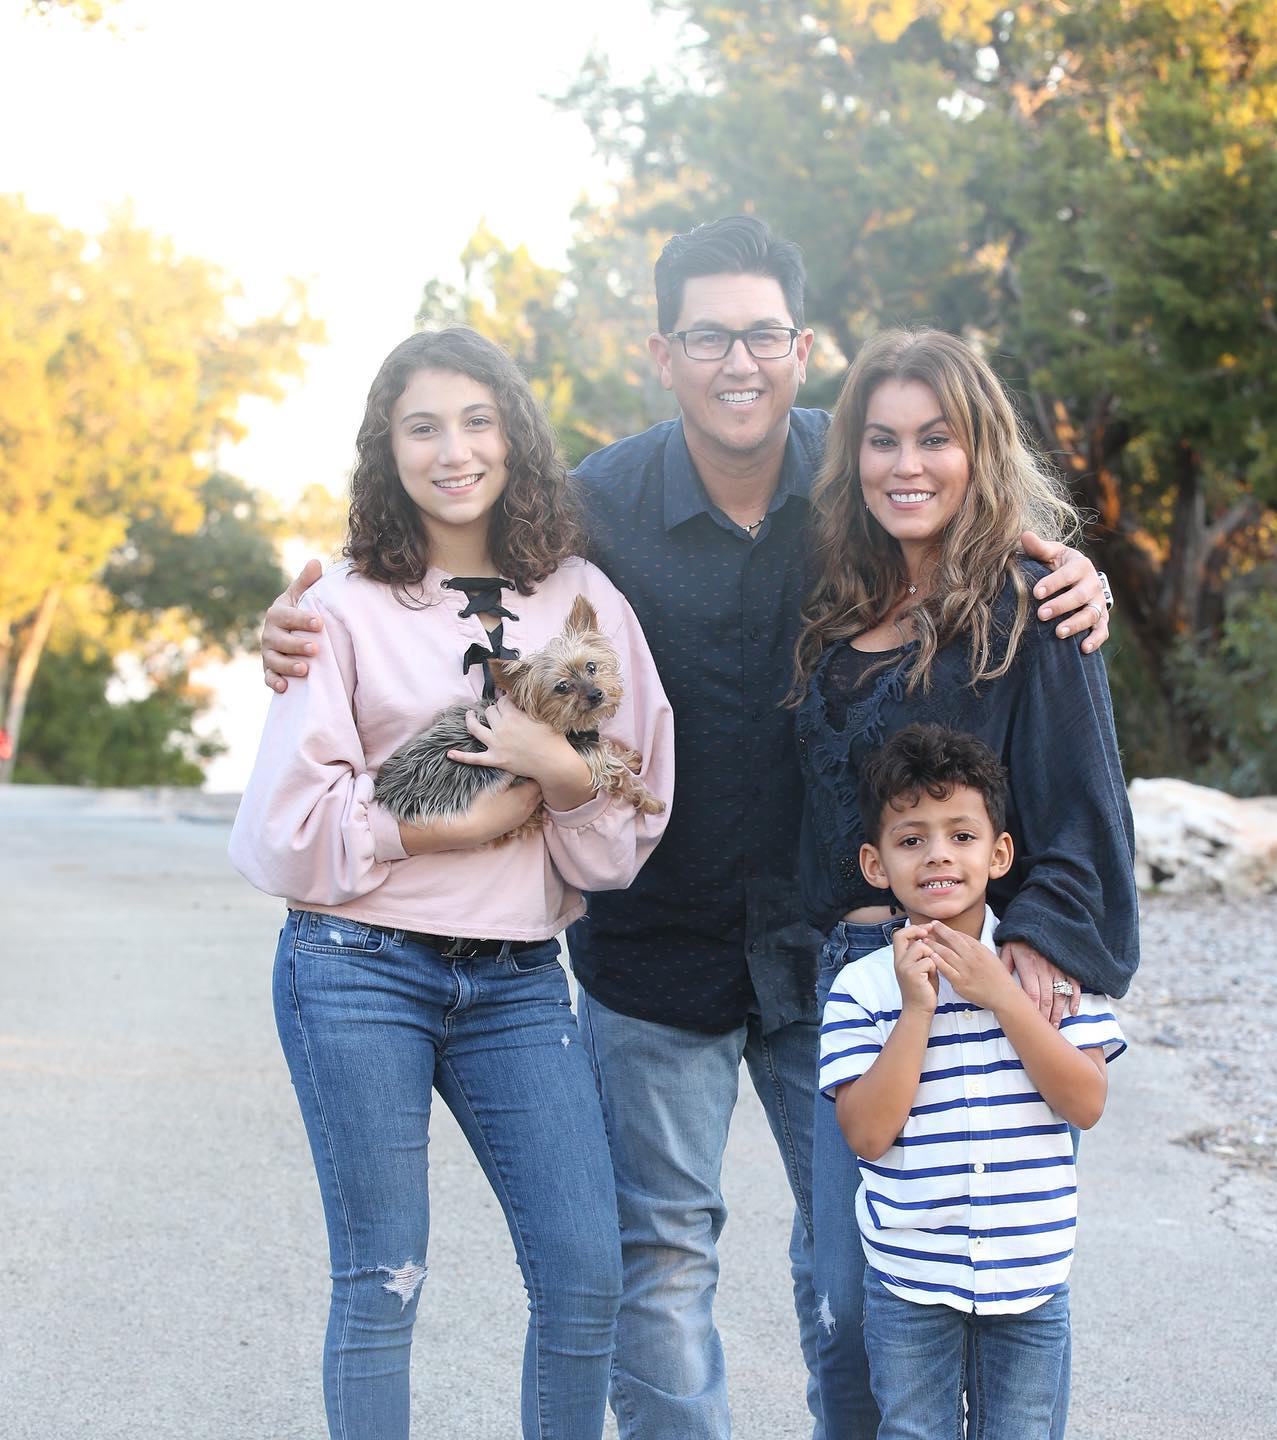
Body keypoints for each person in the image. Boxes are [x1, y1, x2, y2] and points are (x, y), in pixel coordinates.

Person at [258, 218, 1112, 1440]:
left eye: (764, 334)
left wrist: (1077, 576)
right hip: (654, 943)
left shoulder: (862, 474)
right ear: (664, 352)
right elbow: (434, 570)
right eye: (707, 336)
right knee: (656, 1266)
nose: (738, 362)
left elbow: (974, 538)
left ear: (803, 346)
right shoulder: (595, 508)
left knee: (857, 1271)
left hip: (840, 941)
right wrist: (288, 630)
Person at [229, 327, 673, 1440]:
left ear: (515, 436)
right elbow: (286, 828)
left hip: (520, 982)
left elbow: (624, 828)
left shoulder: (584, 599)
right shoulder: (333, 605)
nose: (453, 449)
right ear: (387, 448)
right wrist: (441, 828)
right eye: (421, 426)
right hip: (355, 968)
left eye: (477, 421)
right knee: (383, 1281)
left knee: (583, 1276)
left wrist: (560, 775)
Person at [792, 326, 1139, 1437]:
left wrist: (1032, 943)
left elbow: (1089, 814)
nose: (908, 465)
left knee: (987, 1296)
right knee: (853, 1300)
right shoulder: (836, 608)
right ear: (852, 458)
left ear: (979, 447)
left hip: (973, 973)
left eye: (935, 438)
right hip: (852, 976)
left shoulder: (1036, 605)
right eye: (883, 440)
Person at [818, 724, 1125, 1440]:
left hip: (1030, 1276)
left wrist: (1003, 995)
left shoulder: (1052, 969)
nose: (939, 856)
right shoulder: (861, 987)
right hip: (910, 1279)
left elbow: (1084, 1102)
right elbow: (865, 1134)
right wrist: (917, 1009)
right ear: (875, 863)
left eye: (961, 834)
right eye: (912, 839)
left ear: (1000, 852)